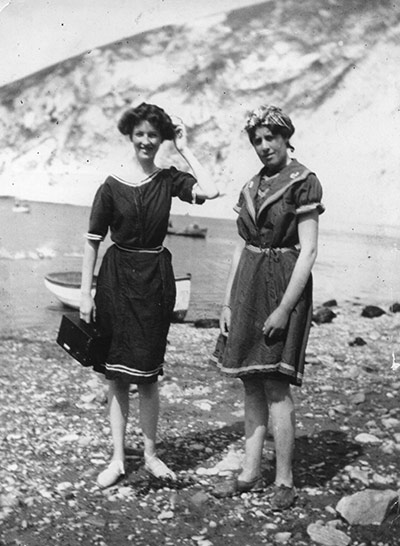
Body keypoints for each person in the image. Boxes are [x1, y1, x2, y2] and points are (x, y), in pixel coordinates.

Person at [80, 102, 218, 488]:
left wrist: (185, 147)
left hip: (155, 281)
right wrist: (85, 294)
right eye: (139, 134)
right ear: (130, 135)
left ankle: (153, 455)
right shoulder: (110, 185)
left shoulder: (168, 180)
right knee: (116, 376)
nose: (145, 141)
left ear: (162, 139)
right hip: (115, 281)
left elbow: (211, 190)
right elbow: (92, 242)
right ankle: (119, 459)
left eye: (153, 135)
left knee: (149, 375)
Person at [211, 105, 324, 510]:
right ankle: (249, 472)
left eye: (270, 137)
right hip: (249, 285)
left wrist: (284, 308)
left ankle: (284, 480)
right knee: (250, 380)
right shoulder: (251, 186)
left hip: (283, 285)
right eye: (256, 140)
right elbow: (240, 248)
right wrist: (227, 302)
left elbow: (308, 251)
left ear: (285, 137)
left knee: (276, 384)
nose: (263, 146)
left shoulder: (303, 182)